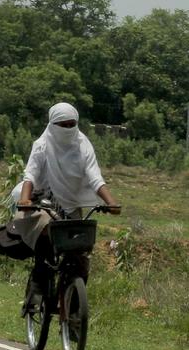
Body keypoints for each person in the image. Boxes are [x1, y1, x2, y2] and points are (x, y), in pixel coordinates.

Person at [12, 102, 121, 312]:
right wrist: (25, 200)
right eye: (63, 125)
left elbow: (95, 177)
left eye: (72, 124)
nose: (68, 129)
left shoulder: (83, 145)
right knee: (44, 235)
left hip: (71, 205)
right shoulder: (42, 145)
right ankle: (38, 282)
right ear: (53, 125)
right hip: (42, 201)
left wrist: (110, 202)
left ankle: (74, 312)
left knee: (80, 256)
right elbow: (31, 175)